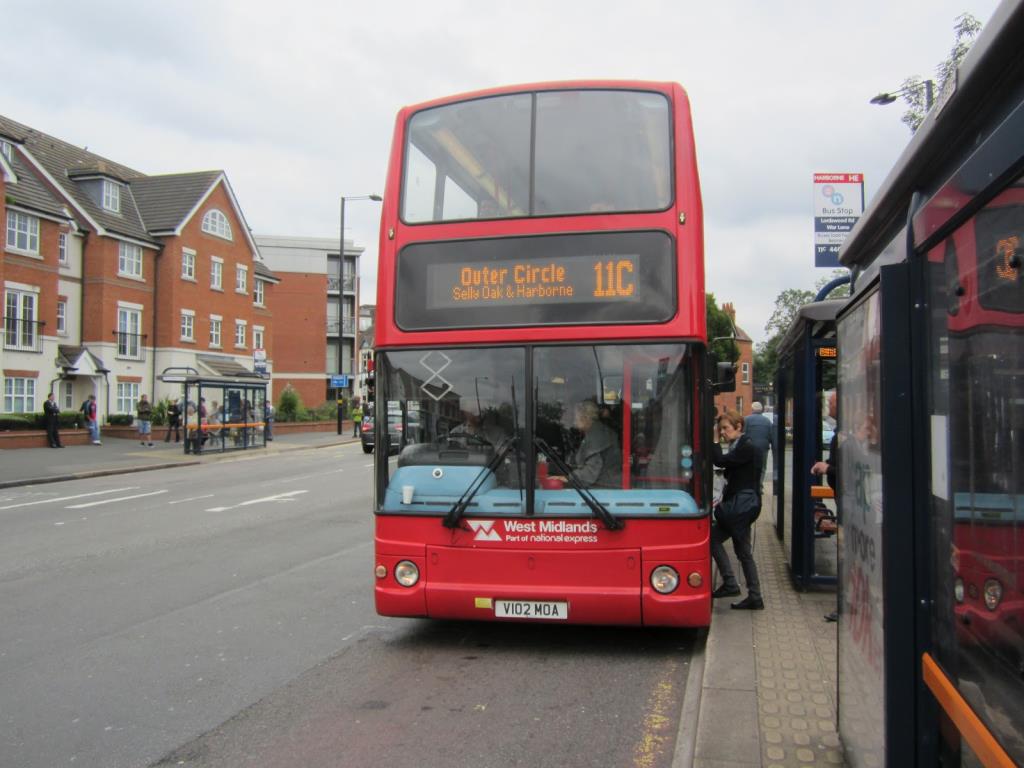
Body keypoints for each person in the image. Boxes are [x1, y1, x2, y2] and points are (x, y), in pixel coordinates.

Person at [711, 409, 764, 610]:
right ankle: (751, 594)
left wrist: (714, 439)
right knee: (742, 551)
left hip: (740, 508)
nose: (723, 432)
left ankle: (736, 585)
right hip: (742, 508)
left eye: (725, 428)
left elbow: (720, 460)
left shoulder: (746, 447)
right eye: (721, 429)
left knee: (717, 540)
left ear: (738, 427)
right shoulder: (740, 446)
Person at [811, 391, 840, 621]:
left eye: (831, 403)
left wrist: (827, 468)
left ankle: (845, 606)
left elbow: (848, 466)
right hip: (844, 499)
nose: (828, 406)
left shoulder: (847, 432)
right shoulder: (842, 431)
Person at [551, 400, 621, 488]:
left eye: (576, 417)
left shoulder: (597, 436)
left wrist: (567, 478)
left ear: (585, 417)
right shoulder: (597, 431)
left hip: (604, 489)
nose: (574, 421)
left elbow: (590, 473)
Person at [743, 402, 774, 493]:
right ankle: (759, 487)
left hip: (750, 447)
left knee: (749, 466)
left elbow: (743, 434)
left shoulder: (747, 419)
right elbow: (771, 435)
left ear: (752, 409)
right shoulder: (767, 421)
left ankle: (750, 486)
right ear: (761, 410)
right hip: (763, 448)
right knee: (762, 467)